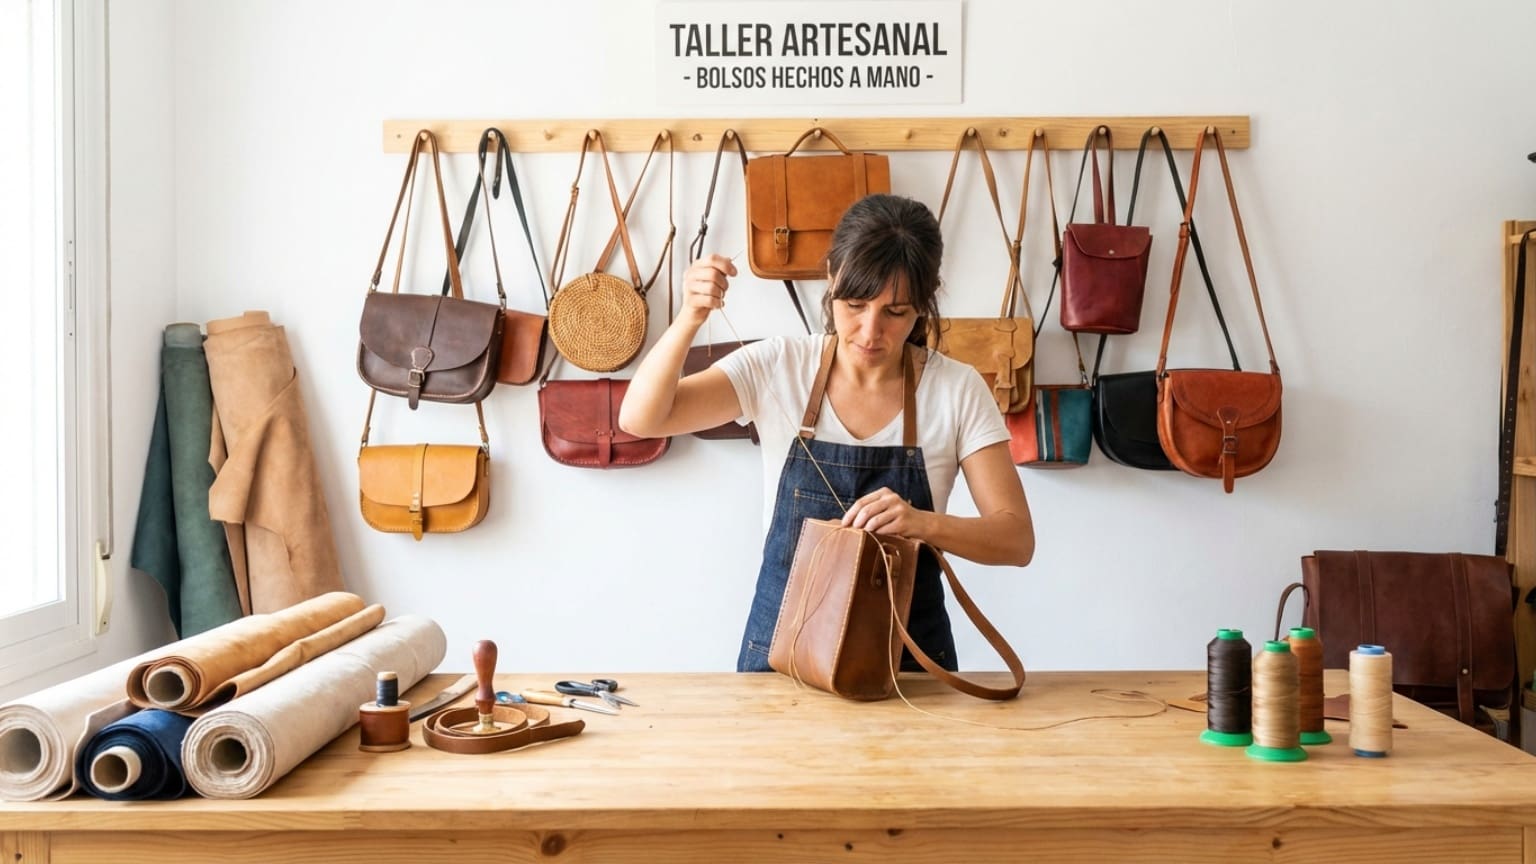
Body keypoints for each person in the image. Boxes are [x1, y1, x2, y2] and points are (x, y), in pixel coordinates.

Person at [619, 193, 1034, 672]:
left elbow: (1016, 540)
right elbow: (641, 419)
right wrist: (690, 316)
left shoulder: (957, 390)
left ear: (925, 300)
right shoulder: (779, 364)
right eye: (854, 304)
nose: (869, 331)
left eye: (895, 312)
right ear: (832, 277)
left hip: (908, 663)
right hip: (784, 654)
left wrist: (921, 523)